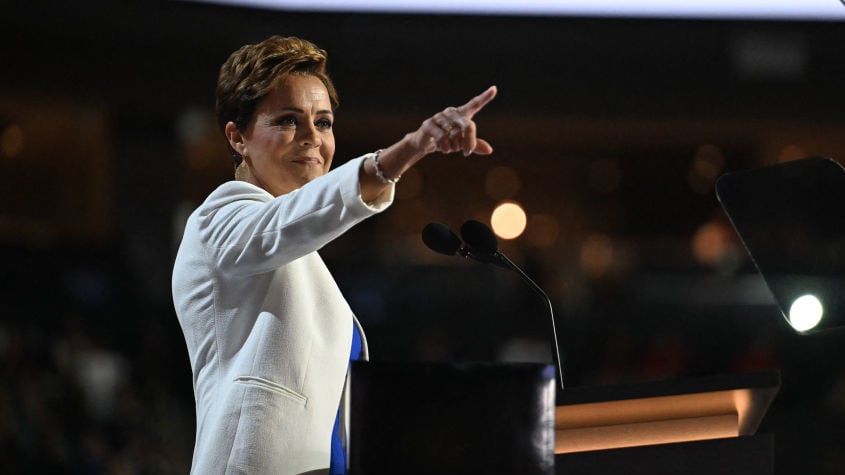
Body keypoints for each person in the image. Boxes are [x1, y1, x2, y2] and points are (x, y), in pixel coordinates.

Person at [171, 35, 497, 474]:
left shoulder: (298, 253)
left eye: (323, 122)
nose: (312, 139)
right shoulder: (219, 222)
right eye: (289, 120)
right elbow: (288, 223)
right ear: (238, 137)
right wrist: (408, 150)